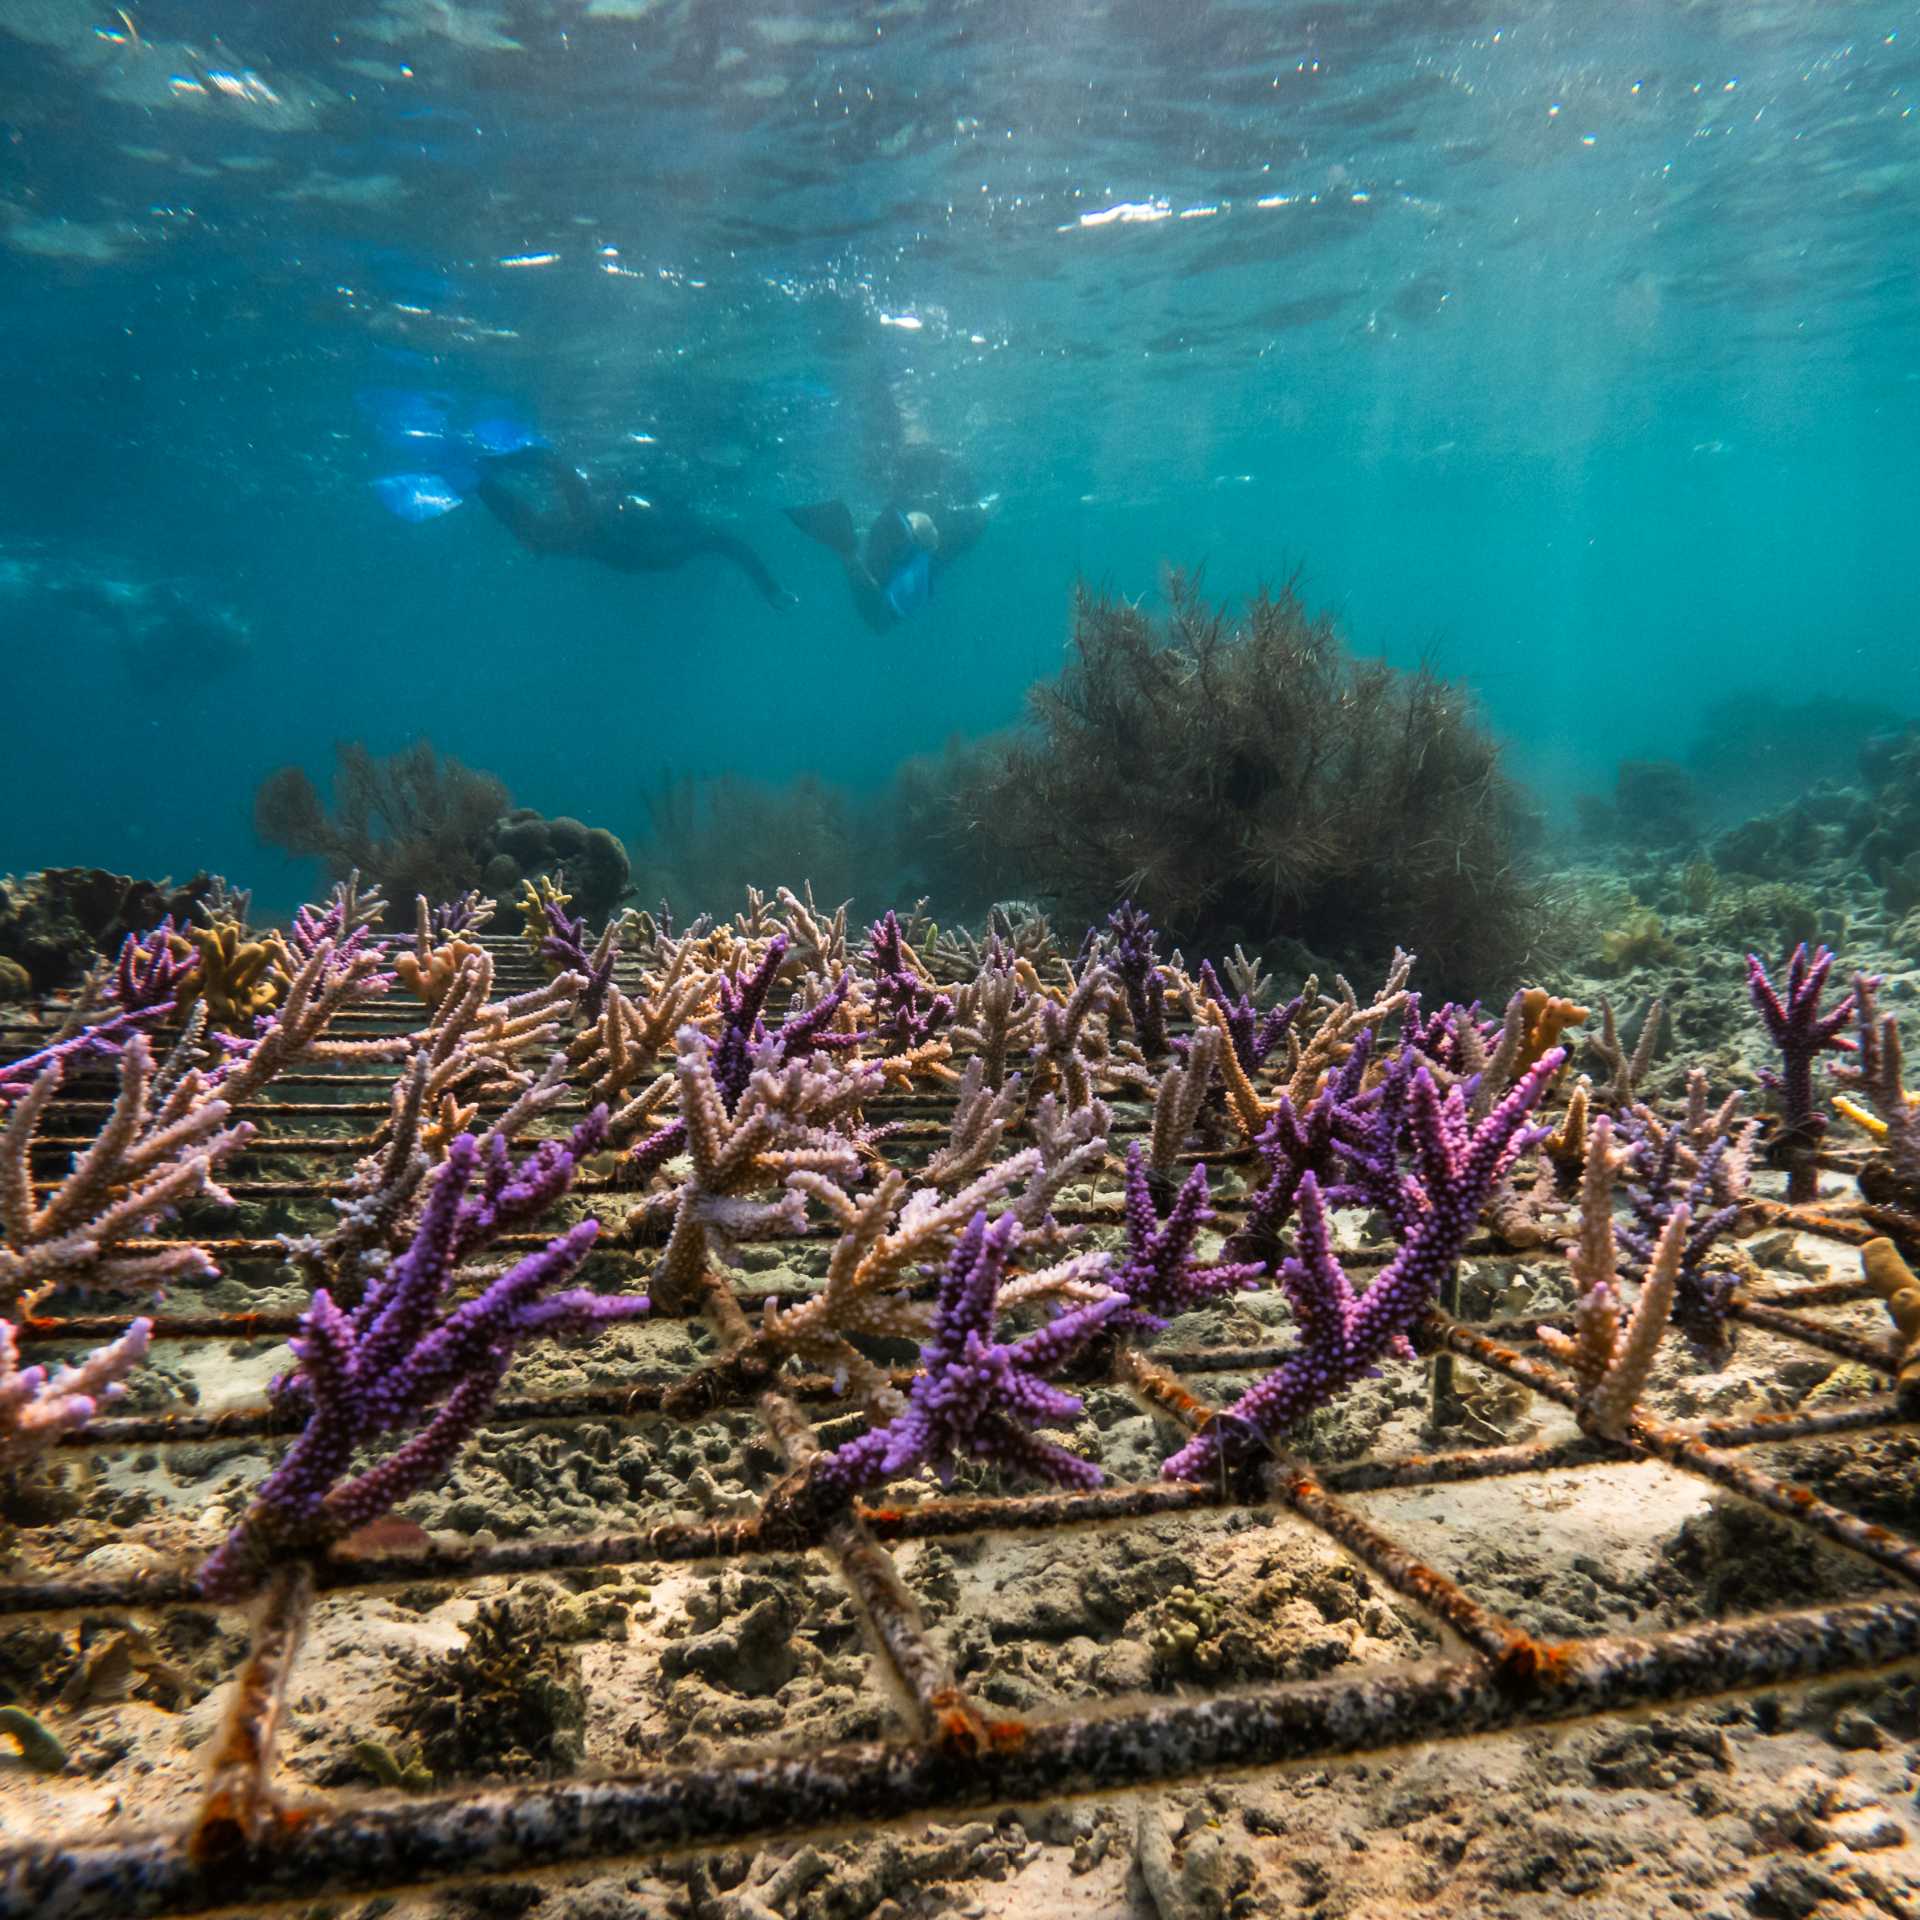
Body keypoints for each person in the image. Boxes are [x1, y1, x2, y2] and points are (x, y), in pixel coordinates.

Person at [783, 370, 992, 633]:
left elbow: (880, 617)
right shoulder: (918, 525)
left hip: (914, 534)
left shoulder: (905, 524)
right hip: (916, 534)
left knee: (882, 613)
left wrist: (850, 553)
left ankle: (851, 545)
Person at [471, 447, 794, 611]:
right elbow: (729, 545)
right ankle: (478, 478)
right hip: (631, 546)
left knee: (543, 532)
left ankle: (477, 477)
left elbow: (552, 463)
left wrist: (492, 466)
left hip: (629, 545)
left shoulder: (590, 527)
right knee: (543, 533)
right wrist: (769, 588)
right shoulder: (589, 528)